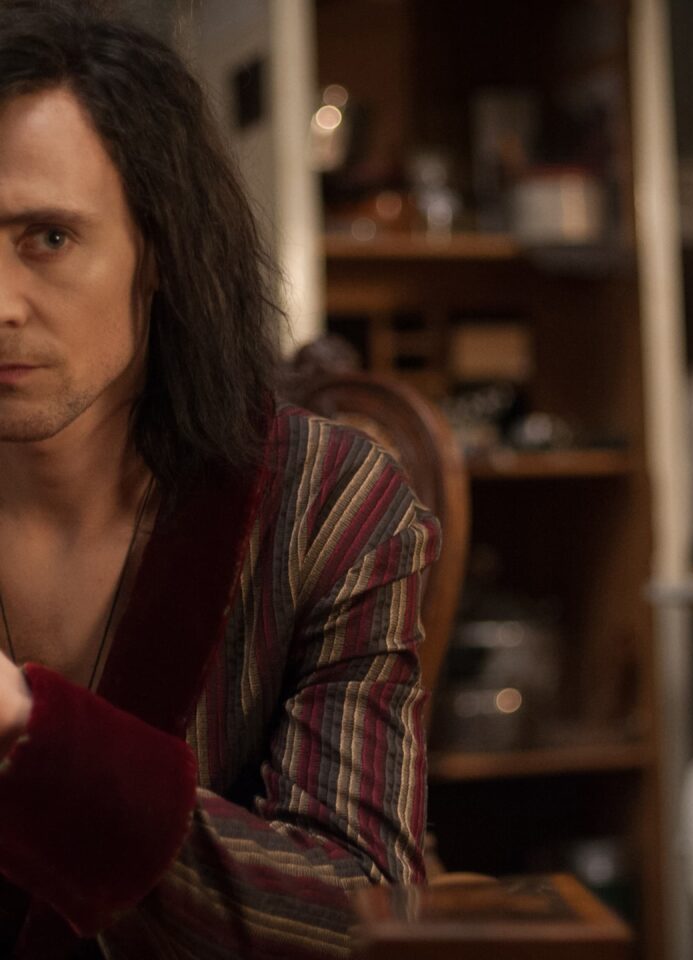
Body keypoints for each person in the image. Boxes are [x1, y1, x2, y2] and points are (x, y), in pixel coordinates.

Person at [0, 1, 440, 957]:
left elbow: (362, 914)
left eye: (49, 238)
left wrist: (33, 735)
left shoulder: (327, 505)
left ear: (160, 250)